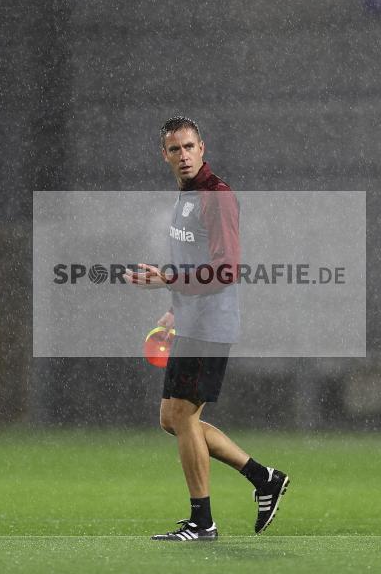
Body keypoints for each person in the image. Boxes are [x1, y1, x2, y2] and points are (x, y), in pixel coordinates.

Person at [127, 116, 289, 541]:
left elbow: (225, 269)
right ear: (164, 155)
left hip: (212, 327)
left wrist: (165, 279)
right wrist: (176, 308)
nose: (183, 155)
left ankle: (204, 522)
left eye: (189, 147)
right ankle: (263, 477)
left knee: (182, 416)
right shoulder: (186, 197)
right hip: (194, 321)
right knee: (173, 418)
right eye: (175, 149)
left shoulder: (216, 196)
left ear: (203, 148)